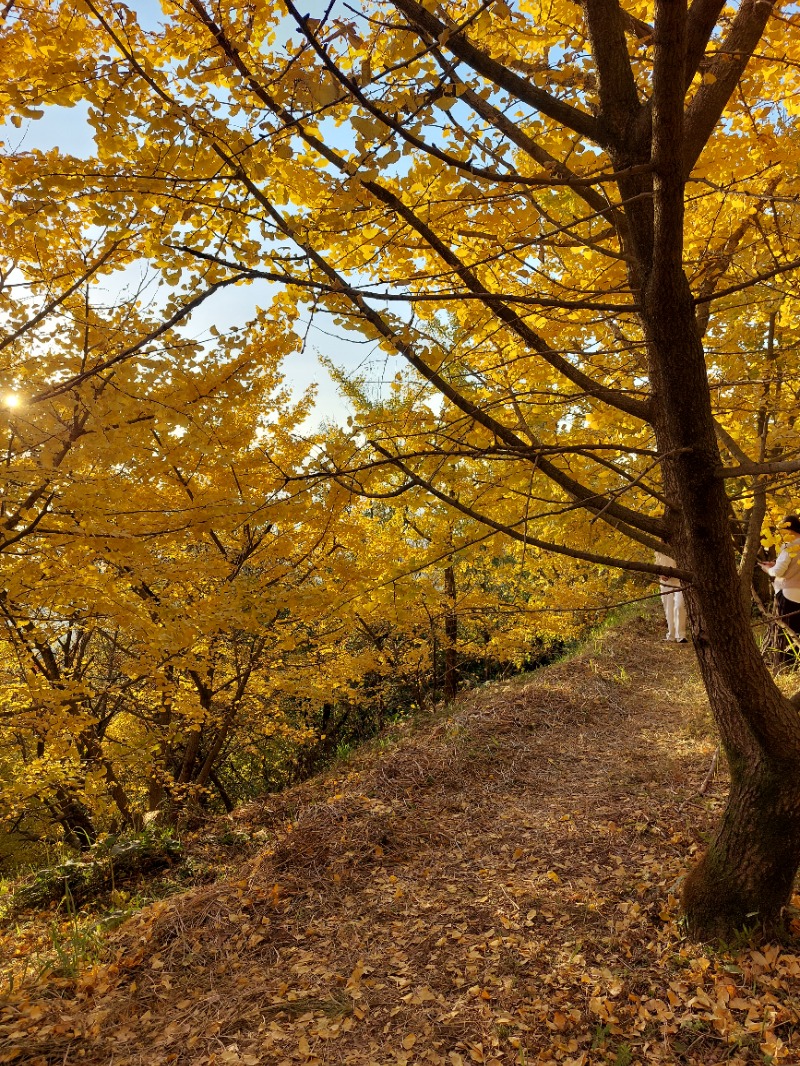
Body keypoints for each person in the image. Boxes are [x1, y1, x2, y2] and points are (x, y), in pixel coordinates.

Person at [760, 515, 800, 637]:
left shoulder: (790, 545)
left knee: (788, 635)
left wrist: (767, 569)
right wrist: (776, 563)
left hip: (788, 594)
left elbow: (778, 572)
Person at [654, 551, 687, 643]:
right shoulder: (658, 551)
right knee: (669, 609)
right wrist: (661, 575)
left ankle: (681, 635)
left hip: (680, 582)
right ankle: (671, 635)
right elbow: (657, 566)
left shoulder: (679, 547)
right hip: (665, 583)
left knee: (680, 606)